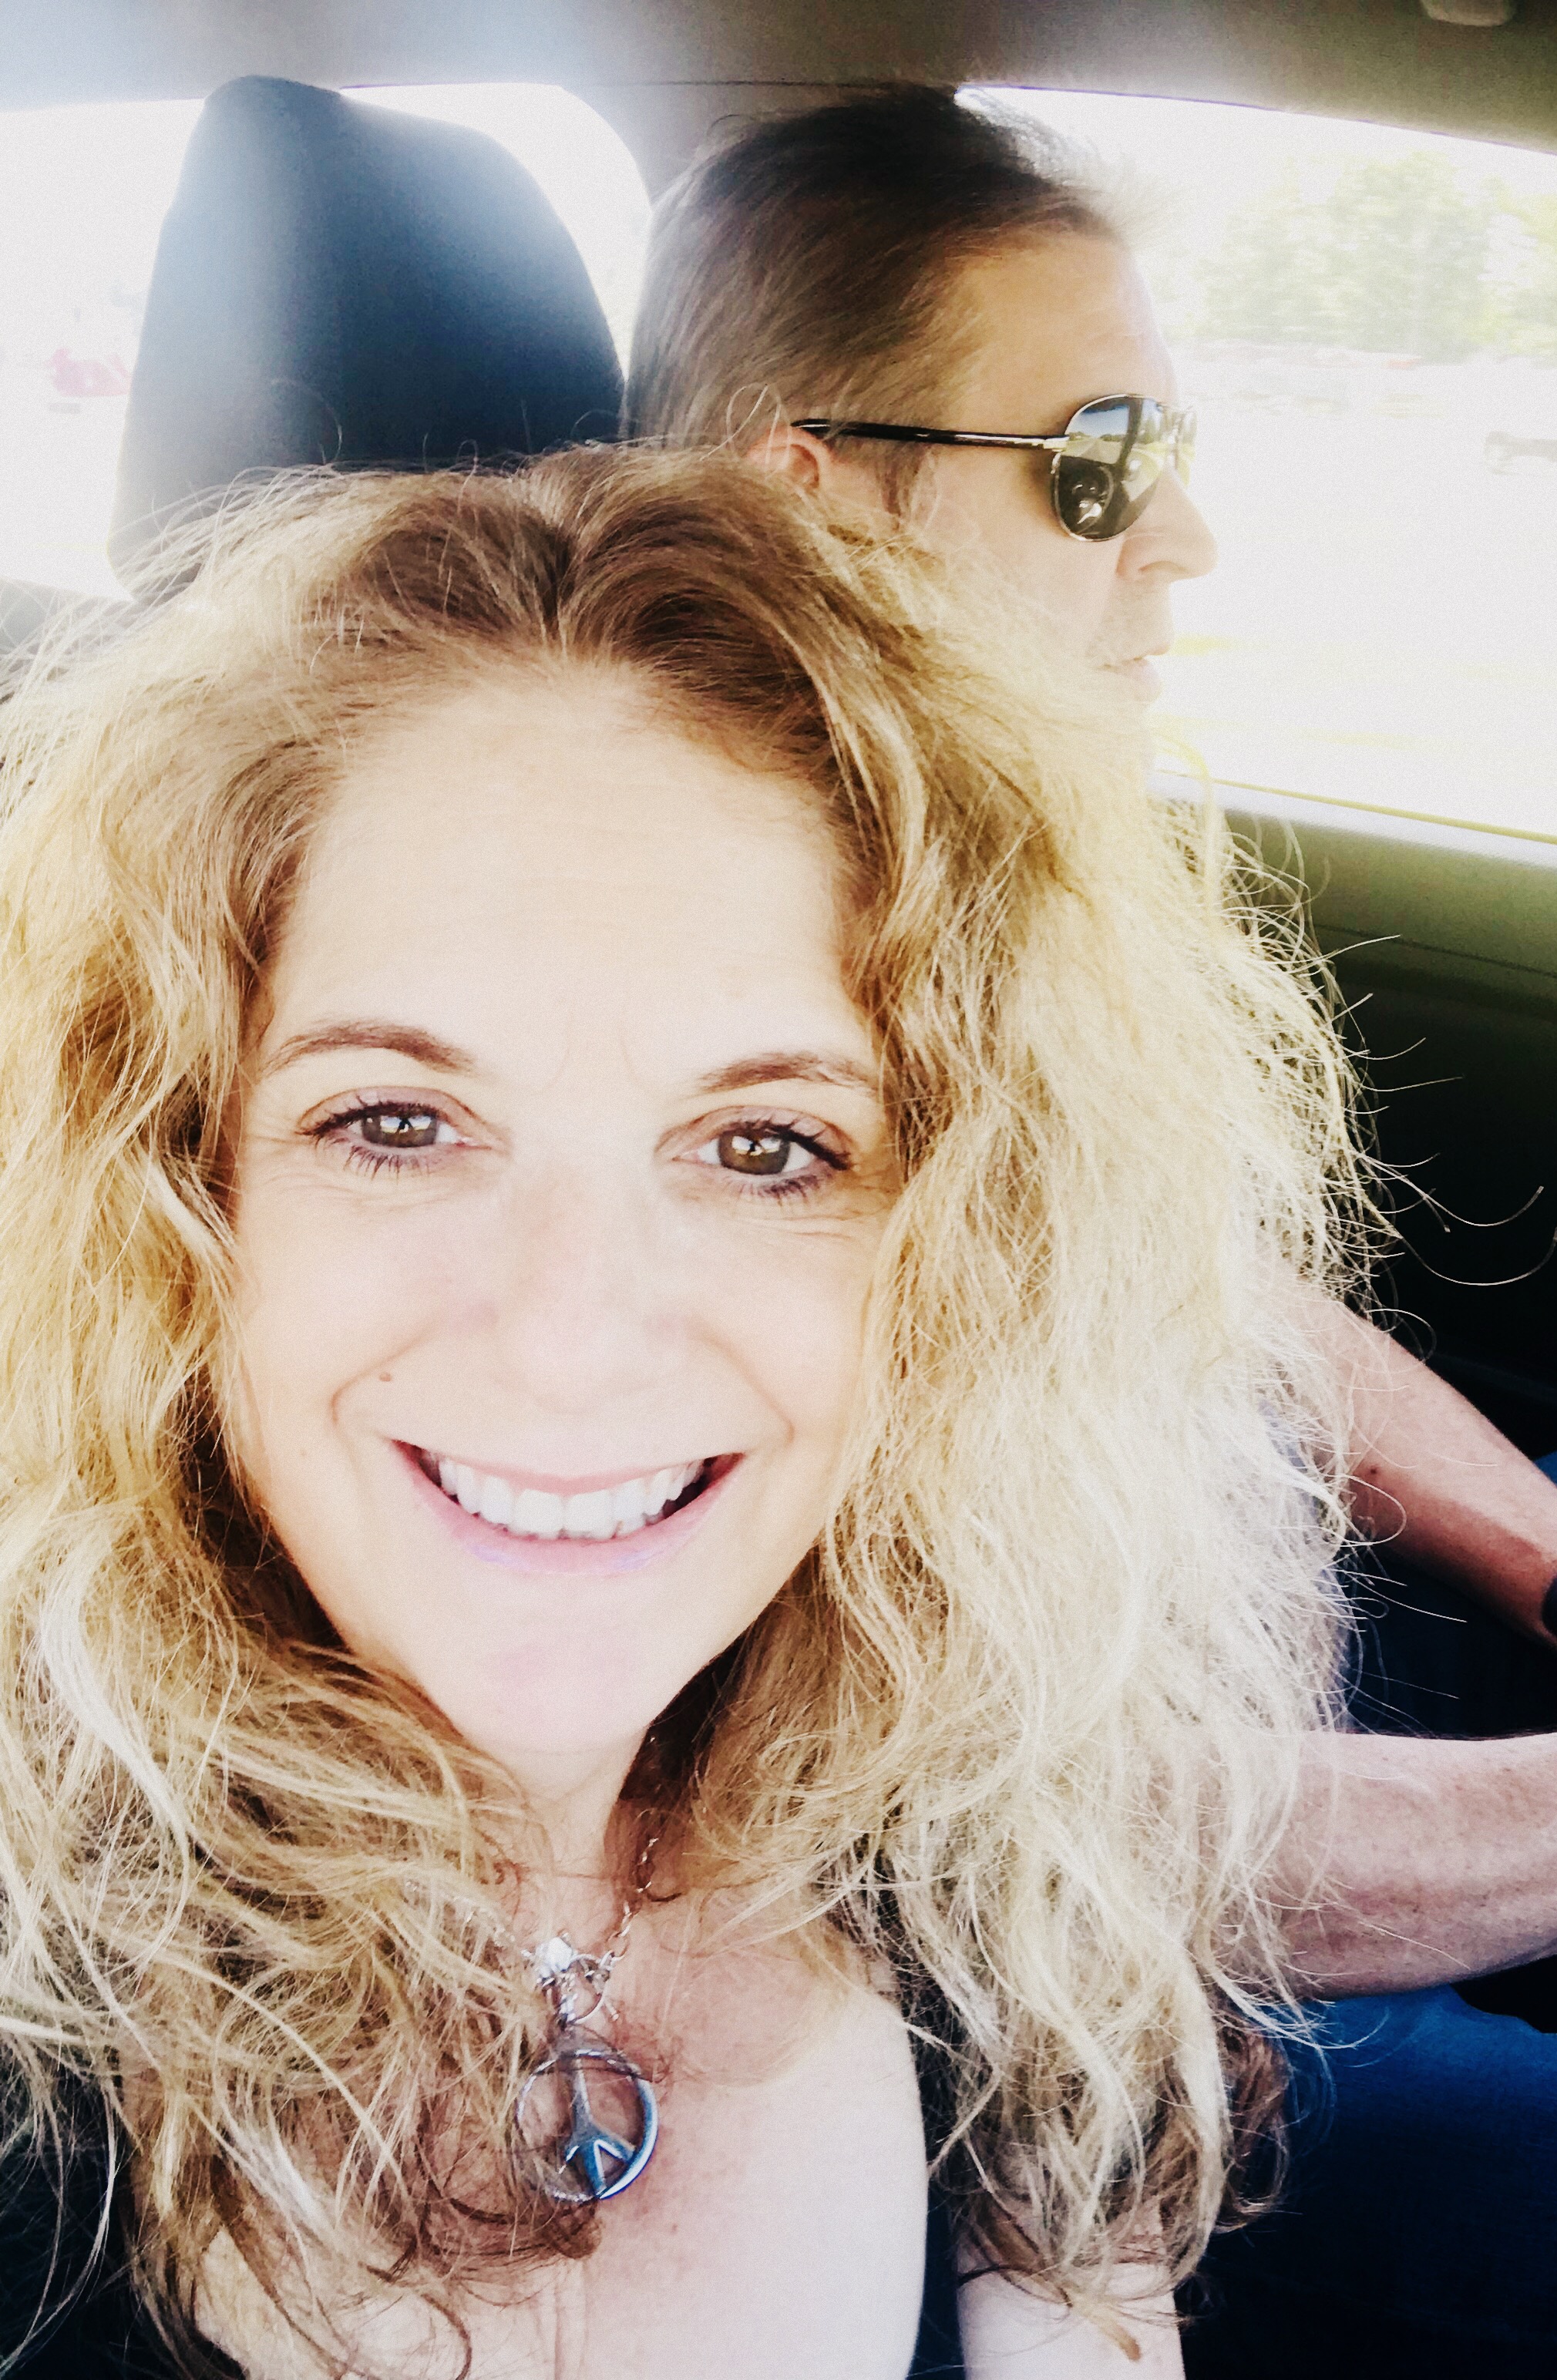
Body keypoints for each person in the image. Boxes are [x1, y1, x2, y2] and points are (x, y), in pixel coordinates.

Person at [0, 440, 1415, 2378]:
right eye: (395, 1121)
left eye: (766, 1145)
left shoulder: (987, 1865)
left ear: (966, 1247)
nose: (572, 1337)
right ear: (169, 1189)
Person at [626, 86, 1557, 2375]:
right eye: (1097, 462)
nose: (1185, 539)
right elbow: (1046, 1834)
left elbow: (1215, 1298)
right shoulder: (691, 1034)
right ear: (815, 499)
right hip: (1120, 1998)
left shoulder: (974, 864)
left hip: (1286, 1679)